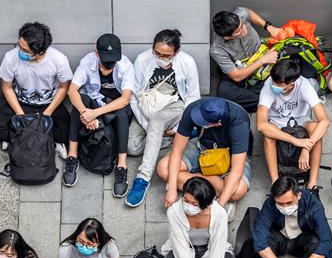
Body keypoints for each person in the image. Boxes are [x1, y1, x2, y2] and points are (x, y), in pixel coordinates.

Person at [125, 29, 201, 207]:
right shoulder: (143, 60)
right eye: (157, 53)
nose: (161, 58)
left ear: (177, 52)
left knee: (157, 122)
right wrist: (146, 124)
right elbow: (134, 96)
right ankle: (170, 138)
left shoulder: (187, 62)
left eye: (166, 56)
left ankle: (142, 178)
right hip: (147, 107)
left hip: (175, 106)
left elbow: (193, 98)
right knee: (132, 147)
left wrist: (178, 127)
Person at [62, 33, 135, 198]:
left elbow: (124, 99)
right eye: (105, 61)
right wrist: (84, 112)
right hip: (94, 102)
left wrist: (94, 114)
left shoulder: (125, 65)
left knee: (121, 113)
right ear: (97, 53)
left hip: (114, 105)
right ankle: (72, 155)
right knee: (80, 100)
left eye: (112, 61)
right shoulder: (88, 61)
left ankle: (122, 165)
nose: (108, 65)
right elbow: (72, 90)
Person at [158, 97, 252, 221]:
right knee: (163, 168)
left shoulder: (239, 123)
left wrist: (219, 206)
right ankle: (216, 188)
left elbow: (237, 170)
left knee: (238, 191)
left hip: (231, 154)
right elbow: (177, 150)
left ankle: (190, 182)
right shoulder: (194, 108)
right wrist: (171, 190)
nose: (197, 120)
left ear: (217, 123)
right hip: (203, 147)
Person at [0, 21, 72, 157]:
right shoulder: (11, 57)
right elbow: (7, 87)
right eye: (20, 47)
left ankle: (21, 137)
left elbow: (64, 87)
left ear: (39, 51)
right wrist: (20, 115)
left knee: (67, 132)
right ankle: (37, 138)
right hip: (21, 102)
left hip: (48, 103)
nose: (20, 52)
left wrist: (48, 113)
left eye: (25, 50)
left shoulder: (58, 59)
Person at [157, 177, 244, 258]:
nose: (188, 206)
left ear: (206, 204)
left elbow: (217, 248)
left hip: (210, 248)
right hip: (184, 247)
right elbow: (180, 248)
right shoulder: (174, 212)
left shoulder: (219, 214)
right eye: (186, 200)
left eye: (194, 204)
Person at [257, 59, 330, 189]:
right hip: (276, 121)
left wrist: (306, 148)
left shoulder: (304, 85)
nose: (274, 85)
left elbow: (324, 120)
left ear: (291, 85)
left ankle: (312, 184)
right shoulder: (268, 86)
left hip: (300, 119)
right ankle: (275, 183)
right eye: (274, 81)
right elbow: (261, 124)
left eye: (279, 84)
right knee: (268, 135)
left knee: (316, 129)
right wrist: (295, 141)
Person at [209, 6, 282, 112]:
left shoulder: (239, 15)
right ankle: (271, 98)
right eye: (239, 30)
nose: (245, 29)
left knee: (287, 65)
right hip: (244, 70)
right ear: (227, 37)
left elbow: (247, 12)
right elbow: (236, 76)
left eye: (242, 24)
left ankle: (265, 98)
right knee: (224, 93)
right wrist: (262, 61)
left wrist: (268, 27)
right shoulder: (217, 49)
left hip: (263, 53)